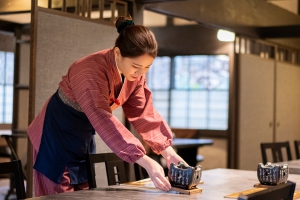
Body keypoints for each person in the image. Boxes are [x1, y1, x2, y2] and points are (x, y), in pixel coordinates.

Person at [27, 14, 186, 197]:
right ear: (117, 53)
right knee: (59, 193)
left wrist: (168, 153)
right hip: (56, 131)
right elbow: (101, 116)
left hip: (83, 133)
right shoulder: (89, 70)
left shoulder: (135, 75)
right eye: (136, 66)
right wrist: (144, 160)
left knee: (83, 192)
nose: (141, 72)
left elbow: (143, 113)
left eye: (147, 67)